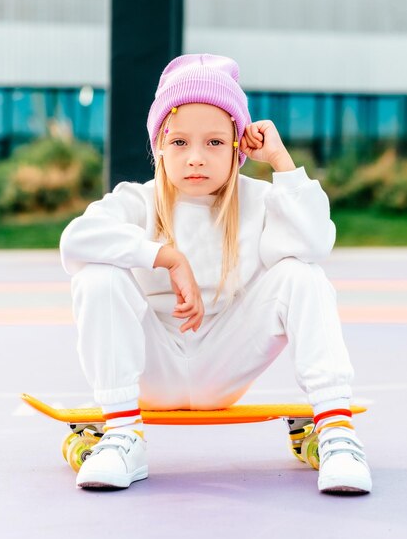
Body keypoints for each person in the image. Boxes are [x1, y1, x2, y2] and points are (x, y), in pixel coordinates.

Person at [60, 53, 372, 494]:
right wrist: (167, 256)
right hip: (154, 368)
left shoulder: (260, 200)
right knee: (97, 275)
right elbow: (75, 241)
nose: (196, 159)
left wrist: (281, 161)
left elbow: (315, 243)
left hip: (223, 363)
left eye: (213, 143)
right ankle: (121, 437)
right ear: (159, 147)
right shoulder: (138, 200)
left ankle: (337, 433)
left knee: (301, 274)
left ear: (237, 147)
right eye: (180, 143)